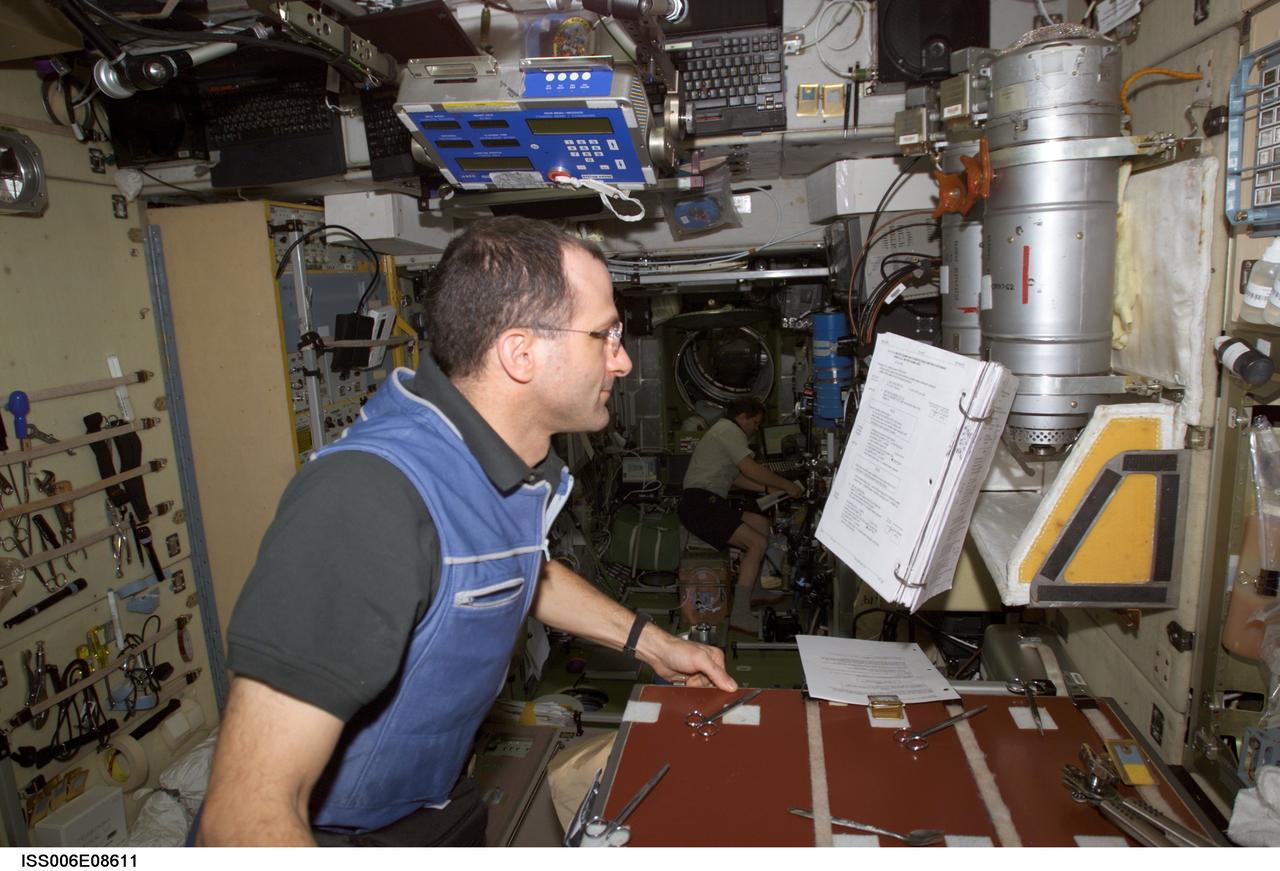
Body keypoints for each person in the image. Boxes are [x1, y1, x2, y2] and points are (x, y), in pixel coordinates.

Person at [196, 216, 736, 846]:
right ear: (520, 353)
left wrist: (652, 643)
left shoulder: (501, 464)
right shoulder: (367, 502)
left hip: (442, 799)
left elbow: (513, 568)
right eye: (604, 335)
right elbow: (243, 817)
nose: (619, 360)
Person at [677, 397, 804, 633]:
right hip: (701, 505)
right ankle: (740, 615)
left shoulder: (722, 432)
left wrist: (769, 489)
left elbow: (735, 477)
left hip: (706, 502)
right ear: (742, 417)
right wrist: (787, 485)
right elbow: (750, 468)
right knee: (757, 543)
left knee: (760, 523)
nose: (755, 429)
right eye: (755, 423)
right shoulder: (729, 429)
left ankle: (753, 591)